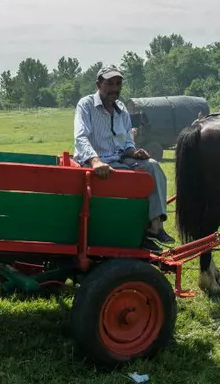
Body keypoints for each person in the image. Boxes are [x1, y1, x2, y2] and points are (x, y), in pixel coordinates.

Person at [73, 65, 174, 250]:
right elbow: (81, 137)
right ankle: (134, 233)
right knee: (131, 178)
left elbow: (127, 142)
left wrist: (134, 152)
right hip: (95, 162)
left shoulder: (121, 109)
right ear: (98, 84)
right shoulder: (86, 105)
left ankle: (155, 226)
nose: (115, 88)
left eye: (118, 83)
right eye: (110, 83)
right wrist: (95, 161)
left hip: (119, 158)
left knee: (152, 166)